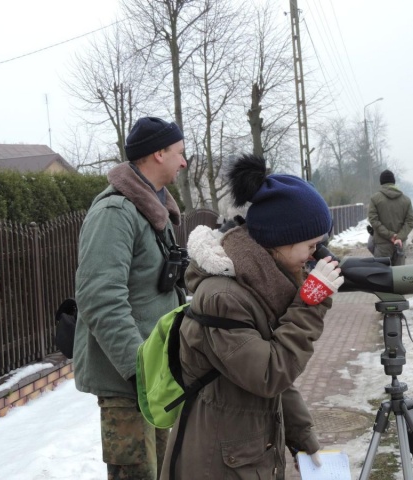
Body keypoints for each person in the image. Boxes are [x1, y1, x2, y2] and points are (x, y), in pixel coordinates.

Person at [161, 154, 343, 479]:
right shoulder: (223, 297)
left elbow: (279, 386)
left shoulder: (262, 286)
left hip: (243, 457)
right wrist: (311, 303)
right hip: (216, 465)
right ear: (280, 242)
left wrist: (302, 438)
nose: (315, 255)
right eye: (311, 245)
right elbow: (270, 374)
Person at [73, 116, 187, 480]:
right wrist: (141, 369)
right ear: (158, 153)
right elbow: (100, 298)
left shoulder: (152, 208)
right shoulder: (115, 212)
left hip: (155, 378)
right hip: (130, 383)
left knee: (164, 470)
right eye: (180, 152)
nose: (184, 162)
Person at [368, 169, 413, 266]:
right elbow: (410, 221)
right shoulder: (406, 200)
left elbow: (374, 220)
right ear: (394, 182)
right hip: (400, 244)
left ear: (381, 182)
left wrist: (390, 235)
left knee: (382, 273)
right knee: (399, 274)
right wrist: (399, 237)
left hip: (382, 245)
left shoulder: (375, 199)